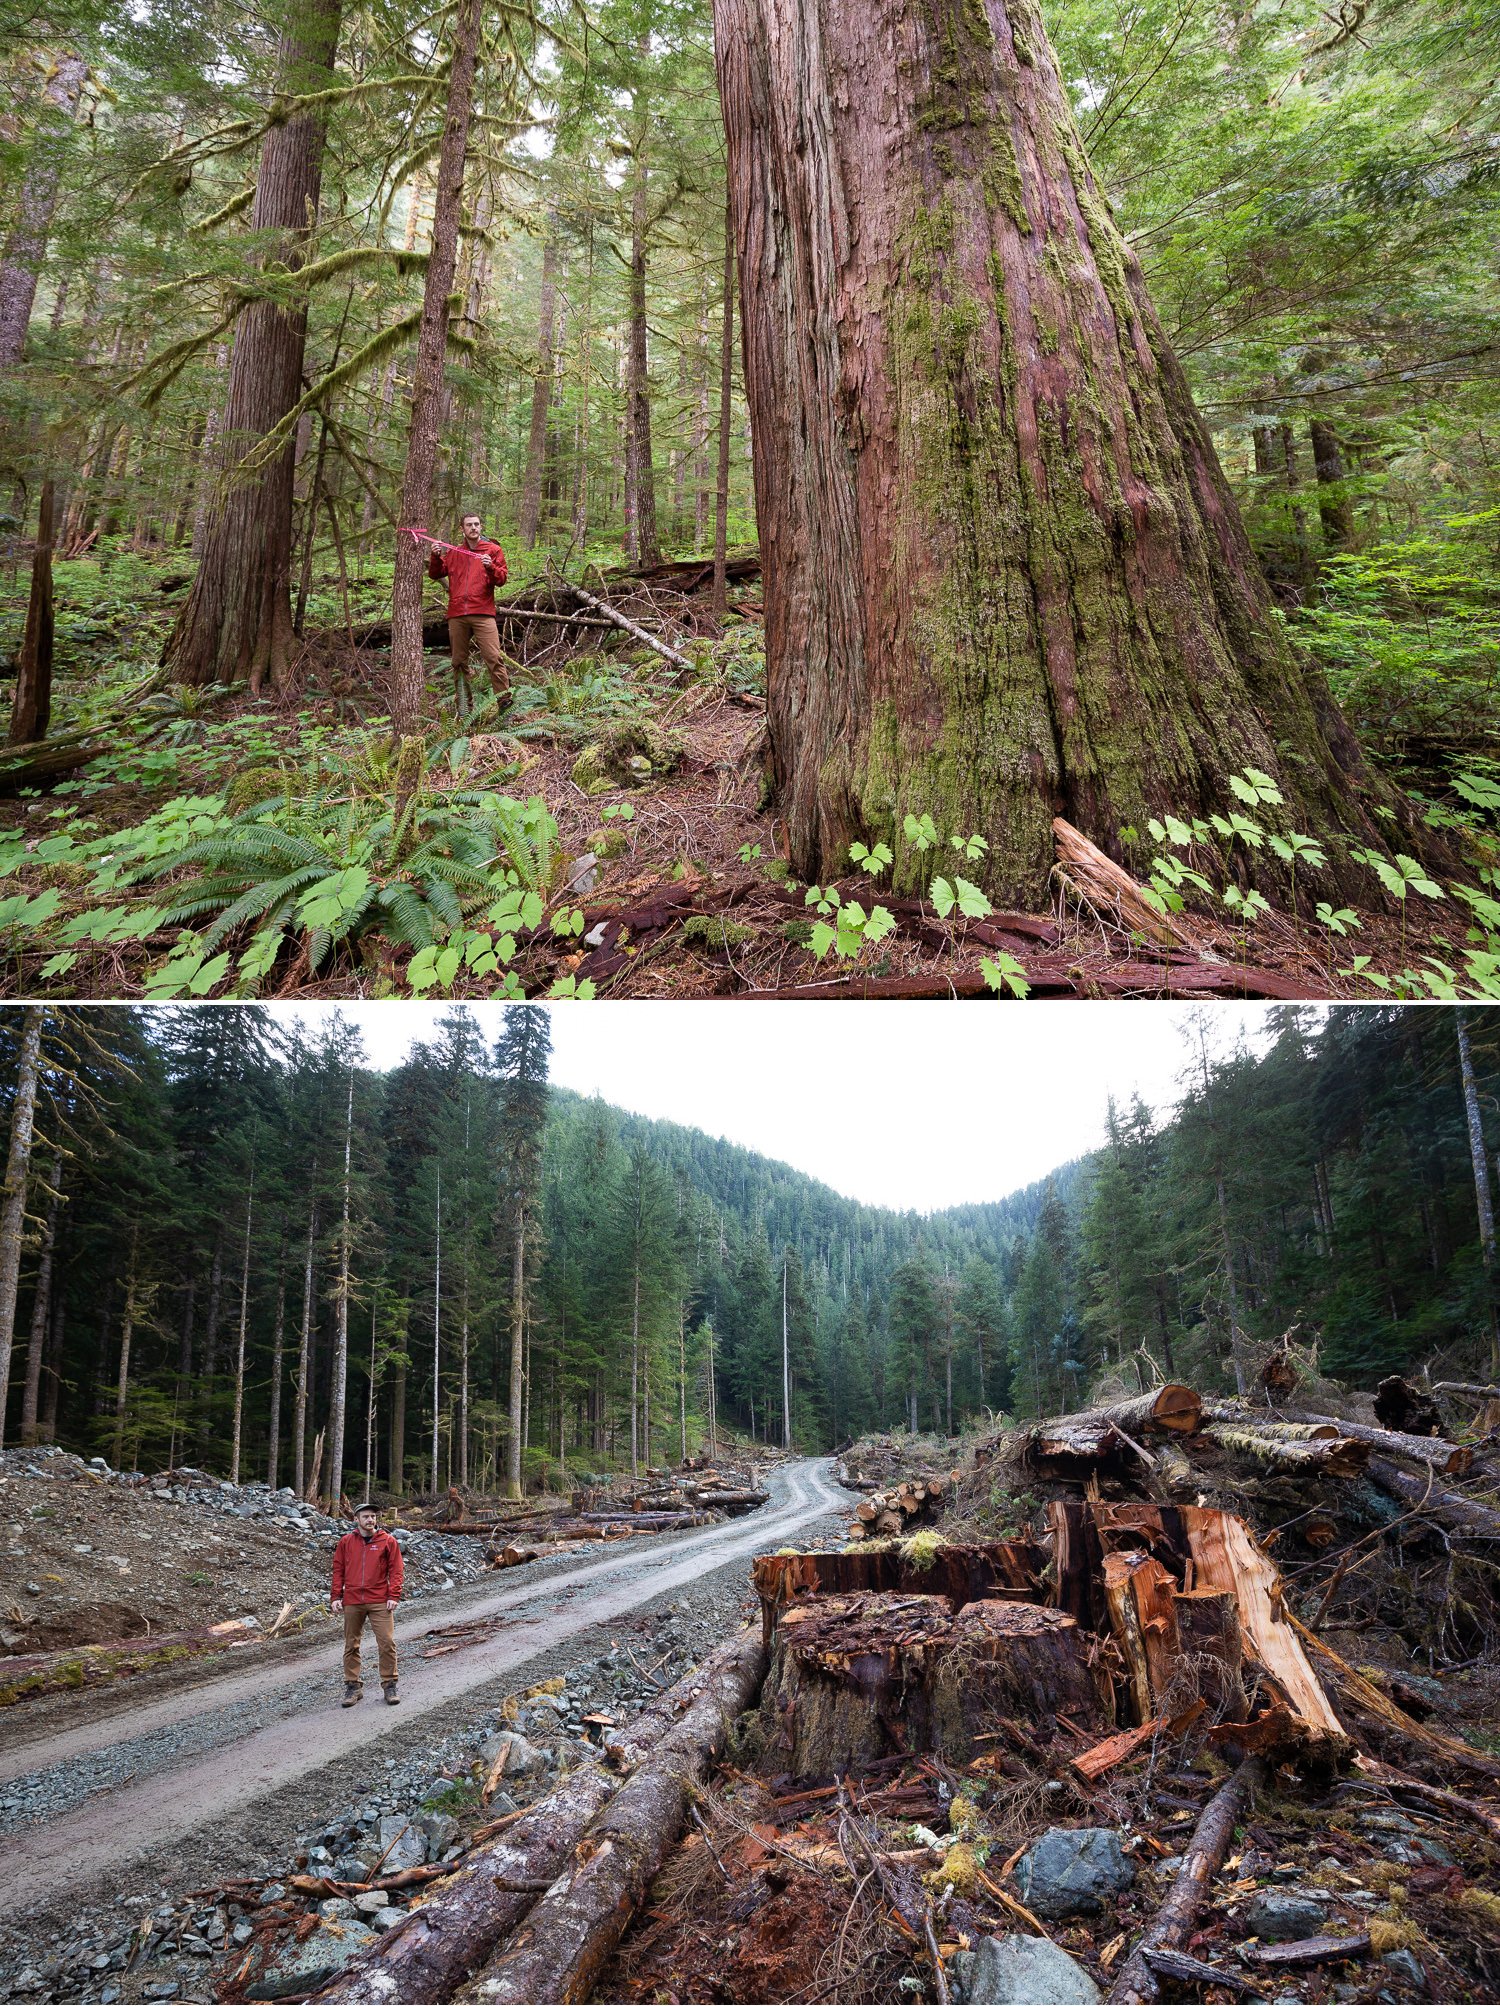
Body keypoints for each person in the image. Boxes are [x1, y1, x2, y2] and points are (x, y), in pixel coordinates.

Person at [424, 513, 510, 715]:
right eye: (469, 525)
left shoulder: (493, 550)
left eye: (477, 524)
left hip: (483, 612)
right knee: (459, 661)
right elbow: (436, 574)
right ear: (462, 529)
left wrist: (490, 567)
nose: (473, 528)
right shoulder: (455, 552)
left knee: (494, 657)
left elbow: (502, 579)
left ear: (481, 527)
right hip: (457, 614)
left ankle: (505, 703)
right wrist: (435, 557)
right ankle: (464, 709)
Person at [331, 1503, 404, 1707]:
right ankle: (353, 1687)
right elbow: (338, 1570)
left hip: (380, 1599)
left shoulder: (388, 1541)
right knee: (351, 1644)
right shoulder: (346, 1542)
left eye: (373, 1516)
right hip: (352, 1600)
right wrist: (336, 1596)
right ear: (357, 1519)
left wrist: (394, 1595)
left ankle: (390, 1685)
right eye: (366, 1516)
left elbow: (396, 1570)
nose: (370, 1520)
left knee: (387, 1643)